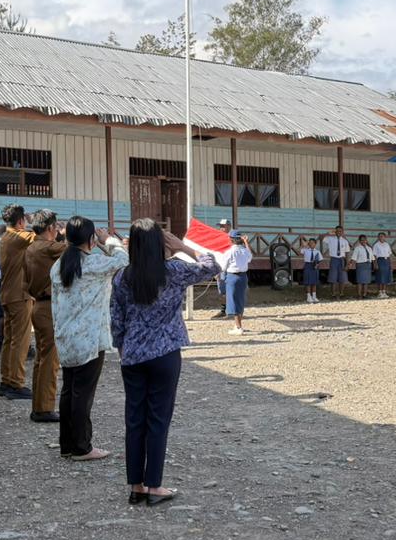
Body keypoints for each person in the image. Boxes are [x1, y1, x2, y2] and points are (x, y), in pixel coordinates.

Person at [111, 219, 219, 506]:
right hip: (165, 354)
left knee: (134, 421)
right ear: (161, 243)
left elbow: (116, 320)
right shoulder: (174, 271)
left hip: (132, 355)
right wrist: (184, 247)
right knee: (158, 420)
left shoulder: (122, 277)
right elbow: (213, 266)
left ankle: (136, 486)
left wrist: (122, 348)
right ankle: (154, 485)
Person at [51, 216, 128, 461]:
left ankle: (67, 445)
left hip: (65, 335)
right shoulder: (93, 262)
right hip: (89, 339)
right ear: (91, 238)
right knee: (83, 394)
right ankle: (82, 447)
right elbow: (123, 260)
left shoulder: (59, 264)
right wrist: (110, 240)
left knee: (69, 391)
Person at [25, 209, 67, 423]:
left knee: (42, 358)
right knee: (50, 360)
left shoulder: (31, 247)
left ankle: (39, 405)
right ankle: (45, 407)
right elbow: (76, 250)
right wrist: (67, 235)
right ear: (51, 228)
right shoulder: (48, 247)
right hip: (49, 306)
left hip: (38, 305)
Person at [0, 206, 37, 400]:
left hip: (7, 294)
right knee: (20, 341)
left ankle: (6, 380)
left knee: (9, 340)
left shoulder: (5, 238)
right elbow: (43, 238)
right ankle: (16, 382)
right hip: (19, 295)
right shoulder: (19, 237)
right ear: (21, 221)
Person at [223, 229, 252, 335]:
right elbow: (250, 257)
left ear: (231, 240)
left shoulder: (230, 252)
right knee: (240, 300)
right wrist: (246, 242)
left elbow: (223, 266)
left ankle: (238, 327)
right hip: (243, 277)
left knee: (233, 301)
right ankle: (238, 324)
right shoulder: (244, 250)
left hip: (233, 276)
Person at [322, 226, 351, 298]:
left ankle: (341, 293)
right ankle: (333, 294)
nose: (339, 232)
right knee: (333, 277)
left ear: (342, 232)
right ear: (335, 232)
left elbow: (347, 253)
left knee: (342, 277)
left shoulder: (345, 241)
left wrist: (347, 264)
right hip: (334, 259)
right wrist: (328, 232)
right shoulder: (330, 239)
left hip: (342, 259)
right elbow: (321, 238)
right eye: (337, 231)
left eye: (340, 231)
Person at [211, 218, 232, 319]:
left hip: (230, 268)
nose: (221, 228)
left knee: (231, 290)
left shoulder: (233, 238)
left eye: (223, 226)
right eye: (220, 226)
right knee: (222, 290)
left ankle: (232, 311)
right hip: (220, 268)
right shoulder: (218, 239)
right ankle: (224, 310)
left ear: (228, 226)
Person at [351, 234, 375, 299]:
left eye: (364, 240)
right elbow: (354, 258)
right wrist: (350, 265)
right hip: (360, 265)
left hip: (368, 265)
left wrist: (374, 265)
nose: (363, 241)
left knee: (366, 281)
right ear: (359, 241)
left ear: (366, 240)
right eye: (361, 240)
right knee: (360, 281)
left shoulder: (369, 248)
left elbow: (372, 258)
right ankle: (359, 295)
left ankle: (365, 294)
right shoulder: (357, 248)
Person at [372, 232, 393, 299]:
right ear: (378, 237)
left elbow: (389, 255)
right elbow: (374, 255)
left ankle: (384, 292)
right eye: (380, 236)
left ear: (385, 237)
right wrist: (375, 264)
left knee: (386, 277)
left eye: (382, 236)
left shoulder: (387, 244)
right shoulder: (376, 245)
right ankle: (380, 292)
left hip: (386, 261)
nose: (381, 237)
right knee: (380, 277)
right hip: (380, 261)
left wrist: (390, 264)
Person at [301, 237, 321, 304]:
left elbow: (320, 260)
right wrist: (304, 245)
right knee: (308, 282)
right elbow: (299, 251)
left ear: (315, 244)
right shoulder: (305, 250)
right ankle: (308, 296)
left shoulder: (317, 251)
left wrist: (317, 264)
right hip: (308, 265)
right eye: (310, 243)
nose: (311, 244)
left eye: (313, 243)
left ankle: (314, 296)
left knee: (314, 282)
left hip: (314, 266)